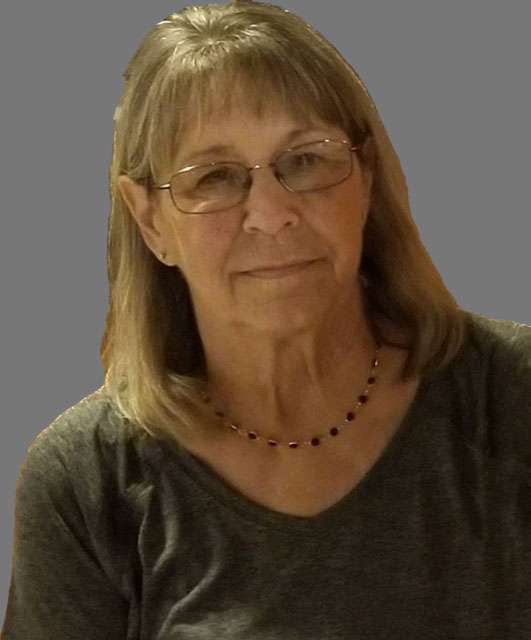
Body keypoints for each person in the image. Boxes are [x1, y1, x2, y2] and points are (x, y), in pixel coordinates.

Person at [3, 1, 531, 637]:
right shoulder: (85, 481)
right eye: (215, 178)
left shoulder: (512, 395)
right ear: (149, 220)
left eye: (305, 160)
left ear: (365, 178)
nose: (272, 213)